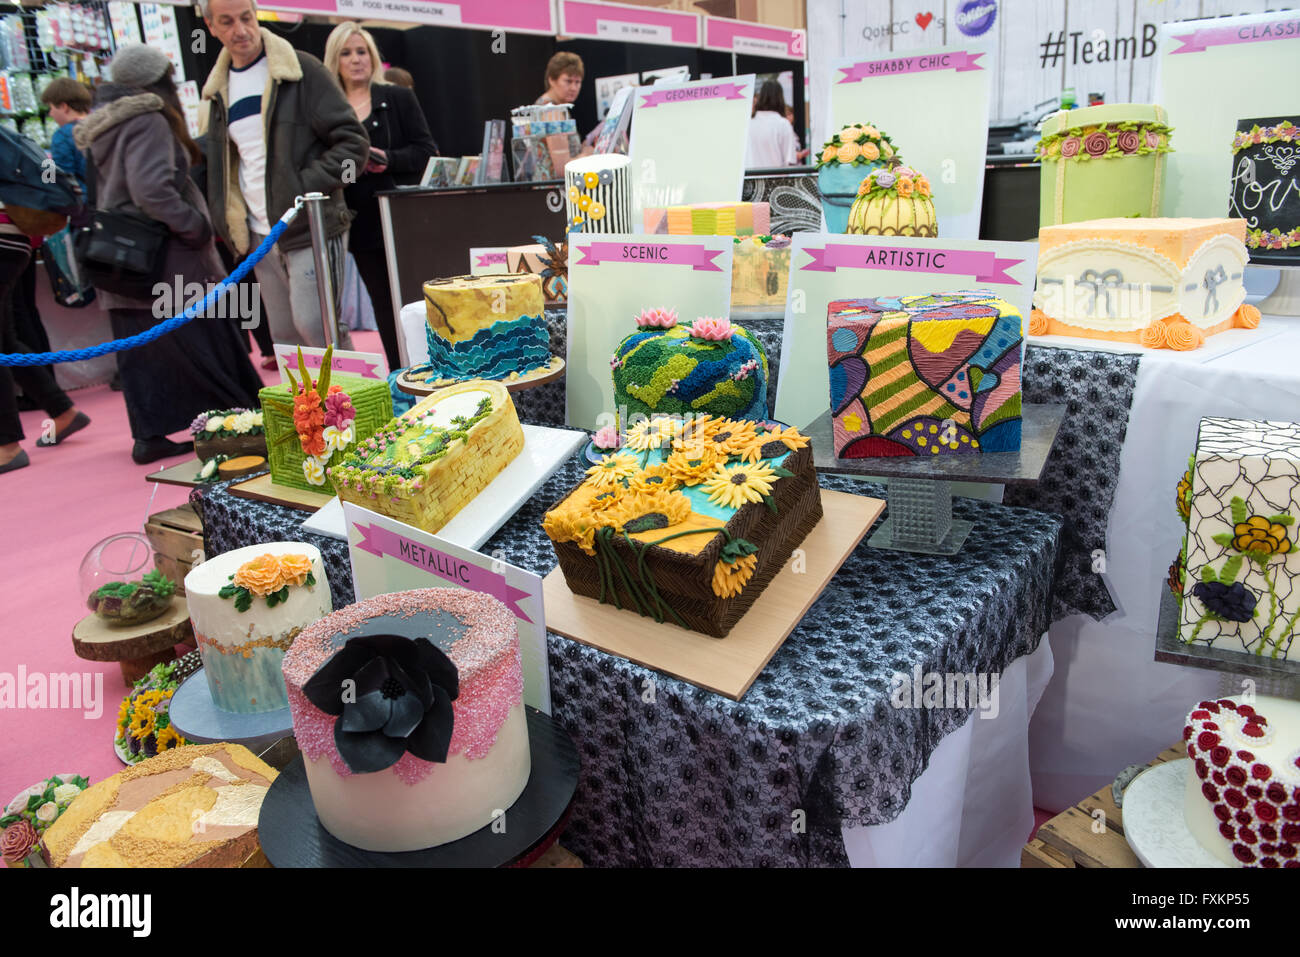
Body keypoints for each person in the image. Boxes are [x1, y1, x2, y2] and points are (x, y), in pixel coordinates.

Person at [76, 44, 263, 465]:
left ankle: (150, 435)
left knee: (142, 352)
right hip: (170, 263)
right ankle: (247, 423)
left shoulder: (104, 123)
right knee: (211, 342)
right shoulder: (148, 119)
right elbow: (152, 190)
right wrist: (195, 227)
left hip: (125, 264)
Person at [199, 0, 369, 350]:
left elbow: (353, 145)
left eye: (246, 18)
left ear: (256, 13)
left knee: (318, 328)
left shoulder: (302, 70)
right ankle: (308, 408)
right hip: (257, 234)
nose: (240, 30)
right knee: (286, 339)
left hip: (310, 224)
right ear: (210, 25)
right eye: (227, 22)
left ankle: (357, 405)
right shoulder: (216, 90)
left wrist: (302, 189)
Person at [324, 22, 436, 371]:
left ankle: (434, 373)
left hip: (402, 219)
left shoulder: (397, 96)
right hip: (358, 221)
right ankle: (400, 378)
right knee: (384, 306)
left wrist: (387, 159)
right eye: (346, 53)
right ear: (334, 60)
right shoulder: (327, 108)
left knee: (417, 299)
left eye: (361, 51)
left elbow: (426, 151)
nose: (356, 59)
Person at [0, 206, 89, 475]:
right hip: (15, 237)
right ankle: (62, 411)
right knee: (6, 343)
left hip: (4, 238)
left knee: (5, 343)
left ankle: (7, 444)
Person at [41, 77, 92, 192]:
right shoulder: (103, 125)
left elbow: (63, 182)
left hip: (85, 204)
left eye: (51, 107)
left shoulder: (63, 136)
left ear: (64, 107)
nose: (50, 114)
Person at [746, 80, 799, 168]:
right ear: (780, 98)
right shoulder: (783, 124)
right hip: (776, 179)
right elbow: (790, 161)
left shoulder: (749, 124)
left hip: (751, 179)